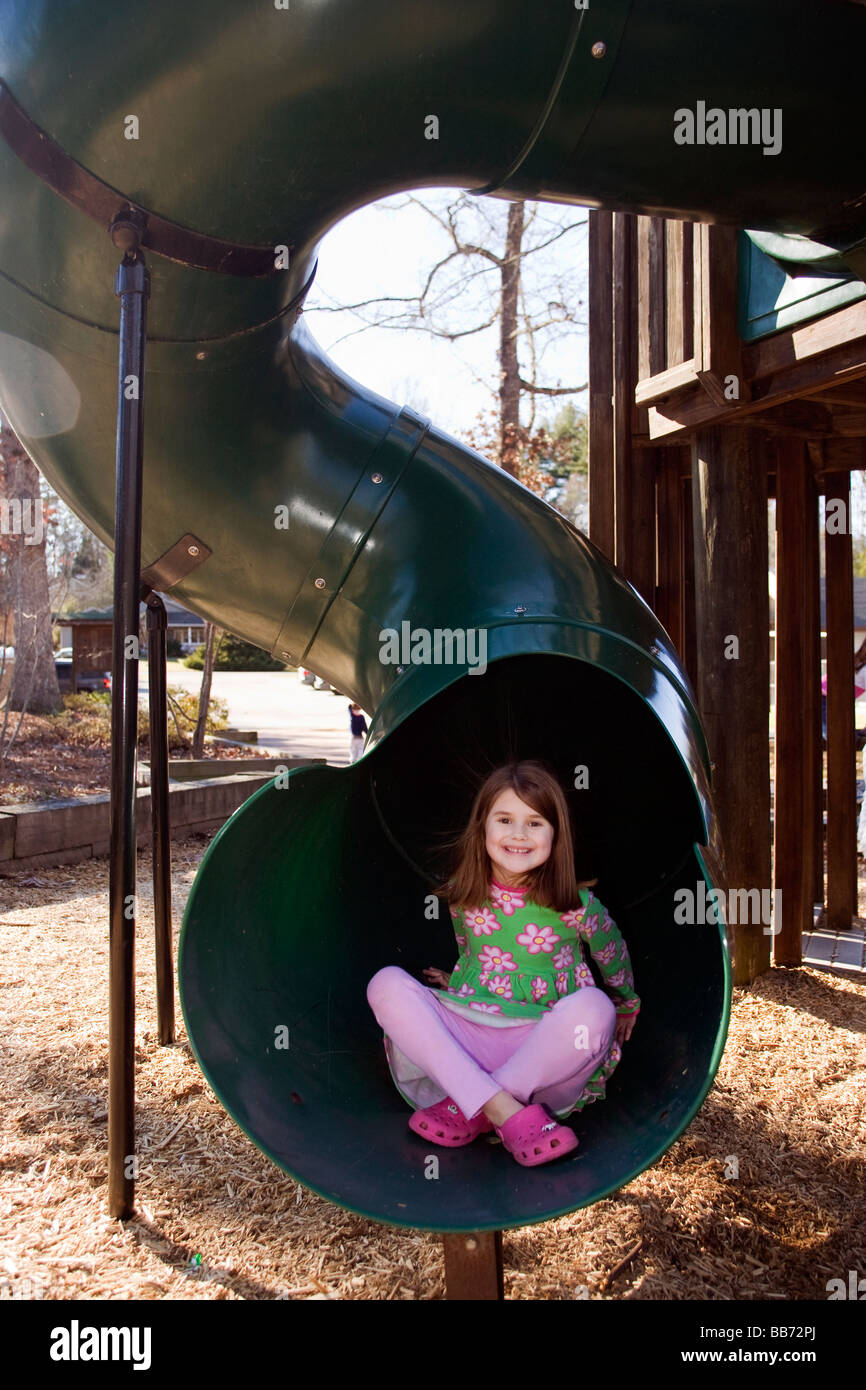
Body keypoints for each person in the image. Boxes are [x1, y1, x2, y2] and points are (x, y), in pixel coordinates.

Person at [366, 760, 640, 1168]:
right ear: (483, 828)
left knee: (594, 1008)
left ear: (555, 835)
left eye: (535, 823)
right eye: (506, 819)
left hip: (540, 1052)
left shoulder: (576, 906)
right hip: (470, 1043)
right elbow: (470, 951)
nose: (518, 834)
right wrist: (455, 984)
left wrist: (625, 1001)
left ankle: (473, 1103)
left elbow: (611, 952)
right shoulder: (464, 893)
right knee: (385, 984)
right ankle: (503, 1111)